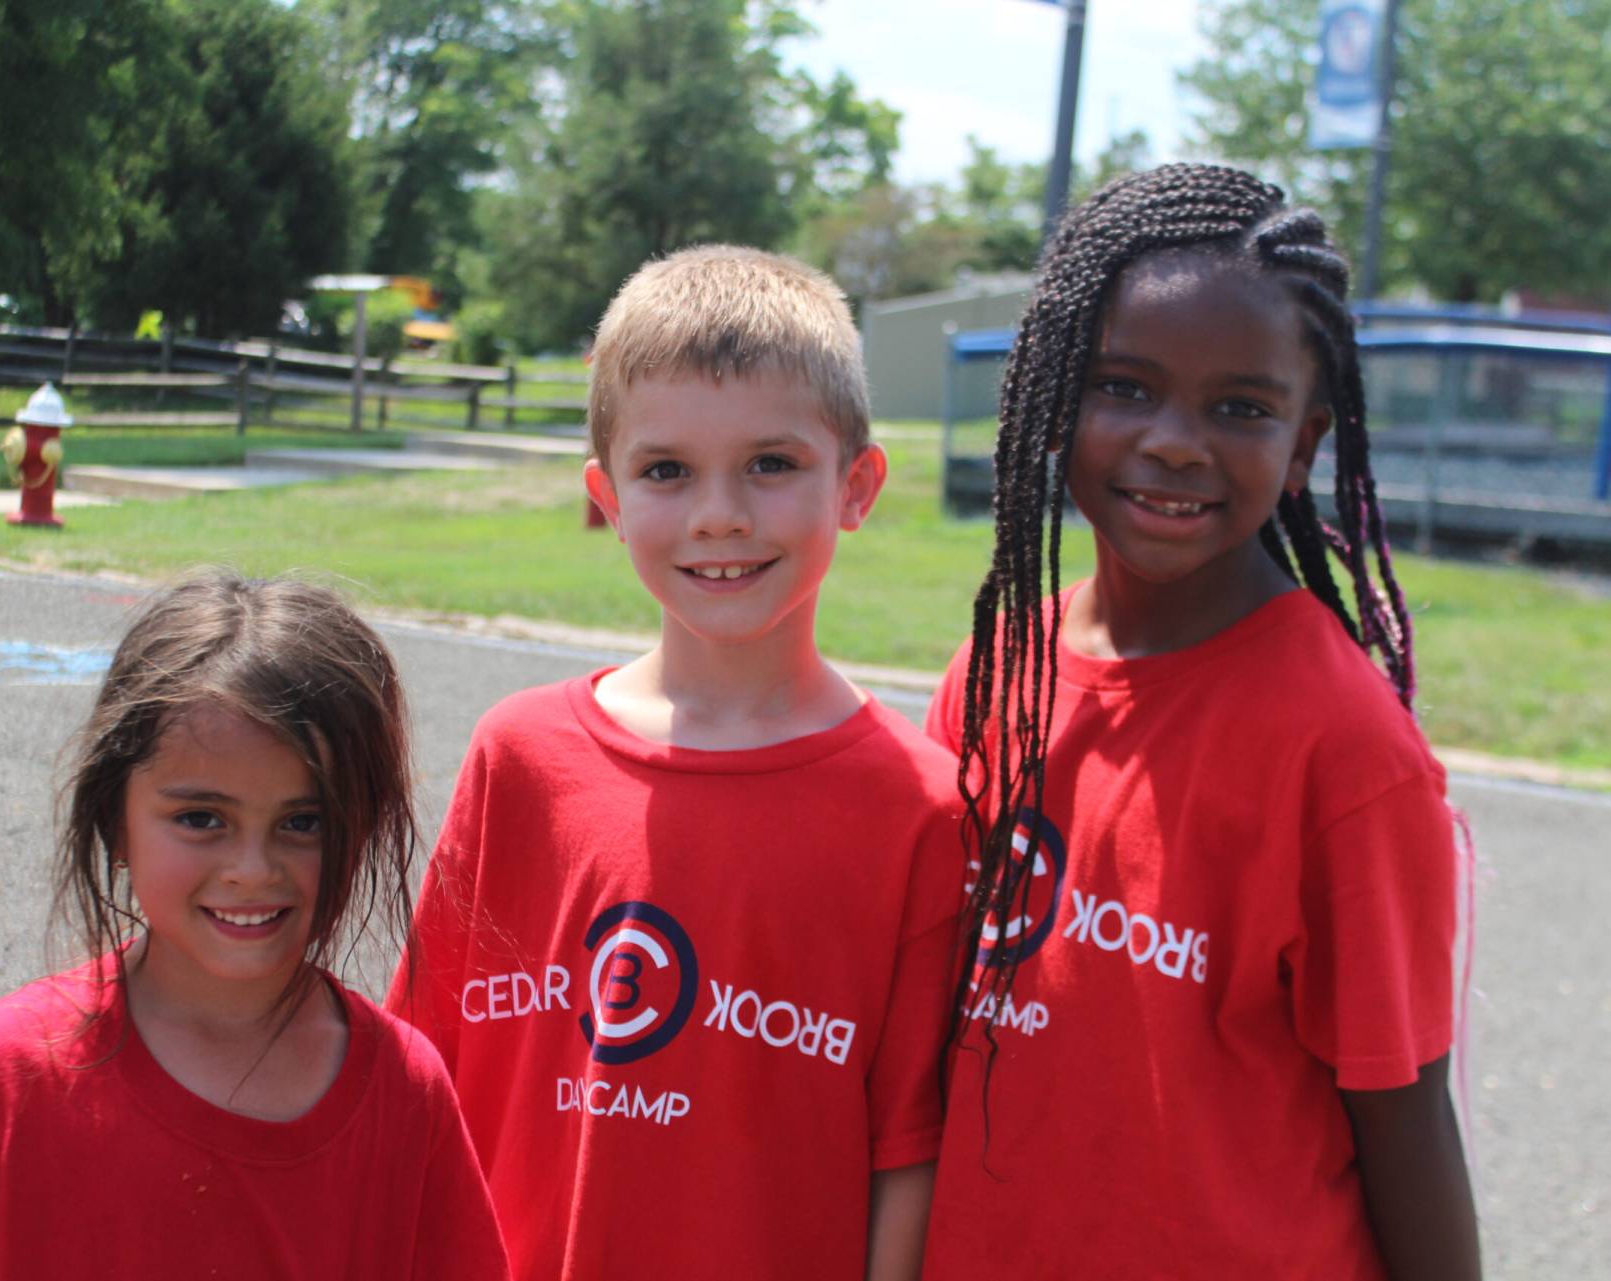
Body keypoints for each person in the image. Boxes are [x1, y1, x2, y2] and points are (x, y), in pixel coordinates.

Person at [921, 164, 1479, 1280]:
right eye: (1123, 386)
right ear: (1050, 390)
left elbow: (1405, 1115)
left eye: (1240, 408)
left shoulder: (1344, 749)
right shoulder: (998, 670)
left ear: (1306, 442)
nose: (1175, 441)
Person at [389, 245, 962, 1281]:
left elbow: (905, 1156)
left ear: (857, 485)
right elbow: (421, 1073)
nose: (719, 515)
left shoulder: (919, 808)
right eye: (666, 471)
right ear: (605, 496)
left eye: (771, 464)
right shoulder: (519, 757)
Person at [0, 573, 510, 1281]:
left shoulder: (406, 1089)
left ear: (359, 828)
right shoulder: (11, 1070)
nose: (251, 867)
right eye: (201, 818)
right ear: (116, 819)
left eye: (304, 821)